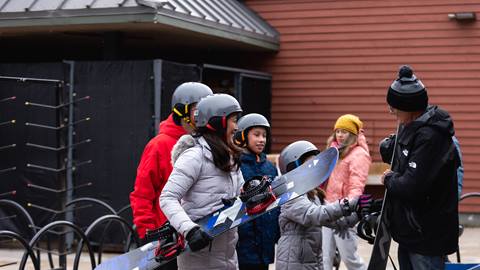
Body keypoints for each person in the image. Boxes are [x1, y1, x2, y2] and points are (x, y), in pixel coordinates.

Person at [380, 65, 459, 270]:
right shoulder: (412, 128)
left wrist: (389, 179)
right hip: (411, 233)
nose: (391, 111)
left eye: (394, 107)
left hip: (427, 236)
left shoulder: (431, 136)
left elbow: (412, 186)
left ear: (409, 107)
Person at [129, 82, 212, 269]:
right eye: (198, 110)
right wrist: (149, 233)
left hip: (199, 235)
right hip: (167, 239)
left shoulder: (207, 143)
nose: (203, 115)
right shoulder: (158, 145)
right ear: (182, 111)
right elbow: (142, 194)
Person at [160, 94, 244, 270]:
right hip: (199, 255)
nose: (236, 127)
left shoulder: (229, 158)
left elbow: (240, 193)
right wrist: (190, 230)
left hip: (227, 254)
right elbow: (167, 197)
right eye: (233, 120)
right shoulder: (194, 157)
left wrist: (251, 194)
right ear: (217, 121)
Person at [275, 140, 369, 270]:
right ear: (294, 168)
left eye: (315, 166)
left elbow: (336, 223)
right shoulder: (290, 196)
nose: (314, 170)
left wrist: (358, 213)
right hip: (293, 263)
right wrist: (347, 204)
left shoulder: (313, 195)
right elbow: (314, 215)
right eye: (309, 165)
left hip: (312, 261)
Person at [322, 114, 371, 270]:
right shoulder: (335, 151)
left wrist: (348, 211)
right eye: (338, 131)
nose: (340, 135)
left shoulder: (359, 154)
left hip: (344, 212)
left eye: (344, 131)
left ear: (353, 134)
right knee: (324, 257)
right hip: (327, 208)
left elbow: (357, 185)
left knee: (350, 259)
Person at [233, 113, 279, 270]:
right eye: (256, 135)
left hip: (265, 242)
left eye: (264, 135)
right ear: (243, 136)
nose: (261, 140)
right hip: (245, 243)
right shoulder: (237, 167)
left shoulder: (270, 168)